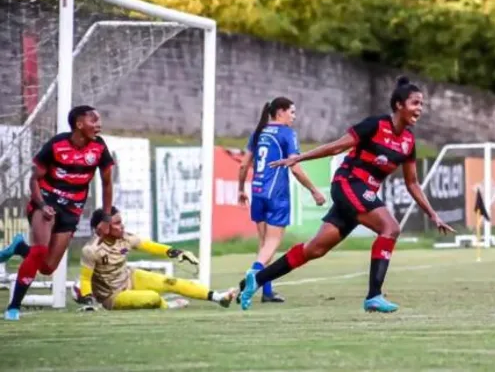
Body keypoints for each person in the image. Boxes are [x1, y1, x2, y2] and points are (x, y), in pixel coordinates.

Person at [237, 76, 455, 313]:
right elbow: (338, 146)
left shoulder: (408, 142)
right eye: (415, 103)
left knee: (314, 249)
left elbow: (412, 183)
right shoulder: (375, 125)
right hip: (348, 184)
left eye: (422, 104)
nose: (419, 109)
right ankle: (374, 295)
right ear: (399, 105)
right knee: (390, 228)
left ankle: (255, 280)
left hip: (360, 194)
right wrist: (300, 157)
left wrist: (433, 214)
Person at [0, 105, 115, 321]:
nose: (98, 124)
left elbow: (107, 183)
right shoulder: (57, 144)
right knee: (39, 251)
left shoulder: (99, 148)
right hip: (47, 202)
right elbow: (34, 179)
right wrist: (42, 205)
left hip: (72, 209)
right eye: (94, 120)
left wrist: (107, 218)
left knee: (47, 267)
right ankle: (13, 307)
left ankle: (18, 246)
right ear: (79, 124)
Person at [237, 97, 325, 303]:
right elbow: (295, 167)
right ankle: (253, 275)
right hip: (276, 195)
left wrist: (241, 189)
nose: (294, 117)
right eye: (292, 112)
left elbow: (243, 165)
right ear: (280, 112)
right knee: (272, 244)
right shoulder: (287, 134)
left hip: (257, 192)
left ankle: (267, 292)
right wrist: (314, 190)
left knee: (264, 246)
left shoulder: (258, 133)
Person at [74, 207, 235, 311]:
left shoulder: (125, 238)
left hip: (129, 277)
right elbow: (85, 279)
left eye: (121, 222)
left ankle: (219, 298)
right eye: (116, 223)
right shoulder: (91, 249)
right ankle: (168, 306)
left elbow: (149, 246)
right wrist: (89, 303)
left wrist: (176, 251)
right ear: (102, 228)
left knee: (171, 282)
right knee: (152, 298)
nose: (122, 226)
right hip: (113, 296)